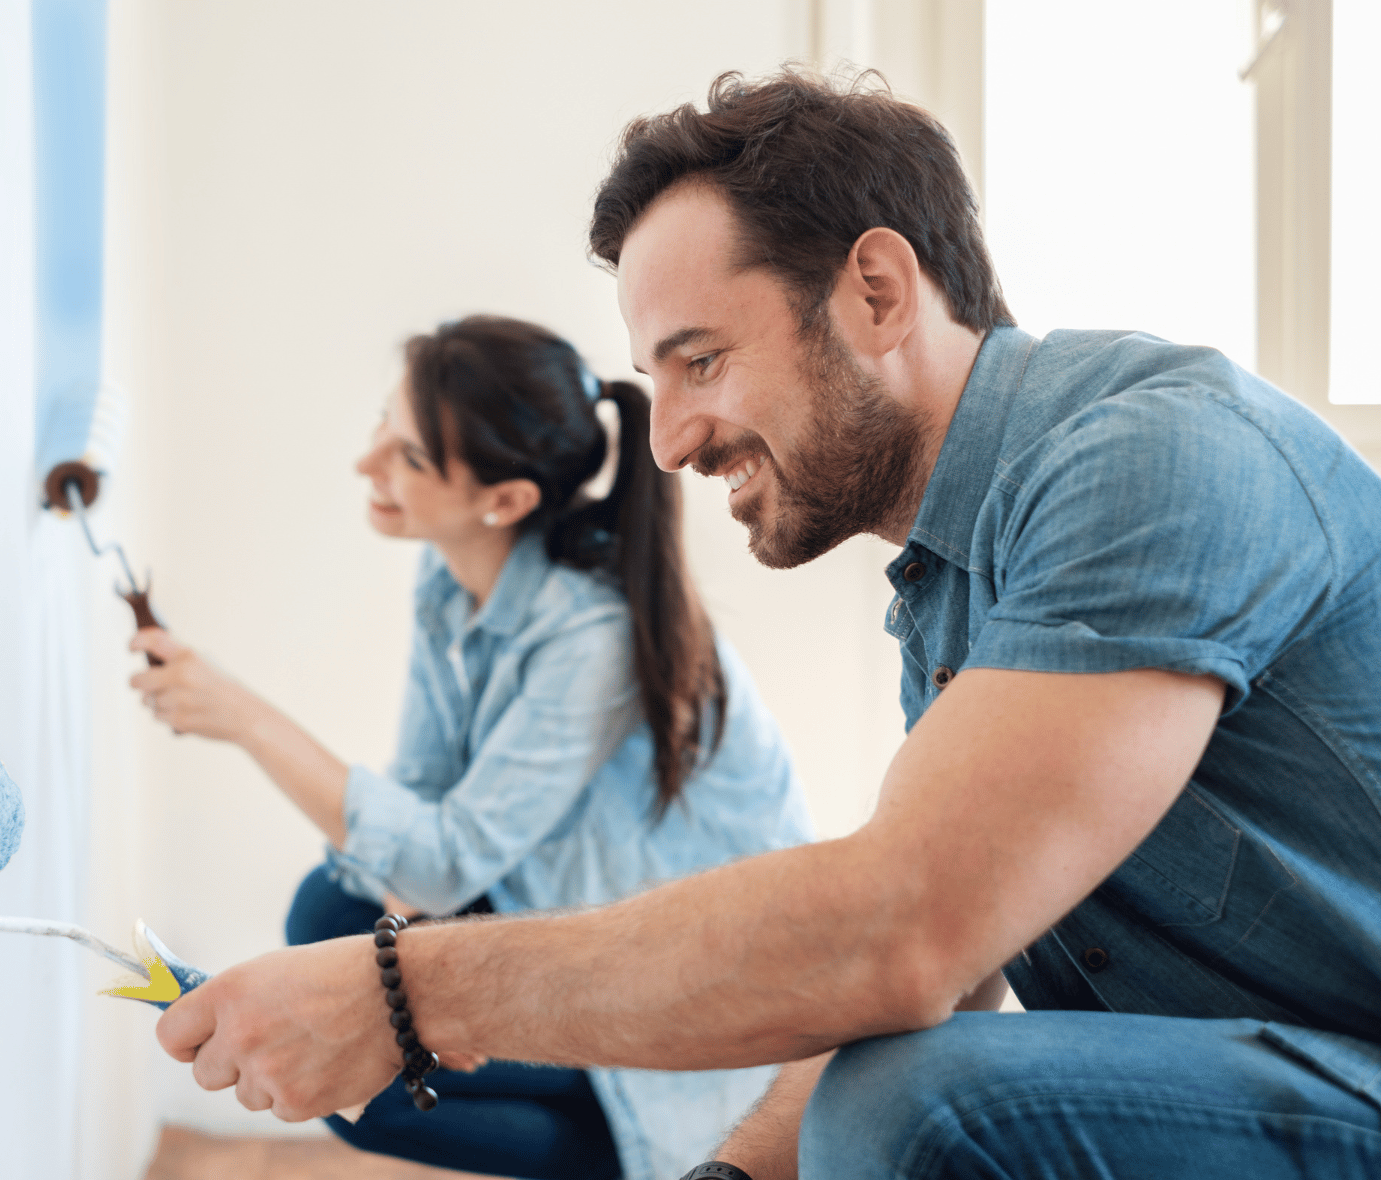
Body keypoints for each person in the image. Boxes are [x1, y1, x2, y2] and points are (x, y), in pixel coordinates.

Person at [149, 69, 1381, 1180]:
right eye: (654, 384)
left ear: (879, 292)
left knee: (919, 1106)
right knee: (891, 1086)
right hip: (1262, 1077)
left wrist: (407, 997)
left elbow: (902, 933)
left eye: (700, 362)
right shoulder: (949, 590)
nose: (672, 440)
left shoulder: (1155, 458)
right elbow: (947, 966)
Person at [129, 314, 813, 1180]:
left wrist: (243, 718)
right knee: (331, 922)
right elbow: (420, 801)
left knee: (357, 1034)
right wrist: (418, 992)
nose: (368, 463)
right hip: (559, 908)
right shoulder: (450, 579)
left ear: (506, 501)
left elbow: (441, 866)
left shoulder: (592, 637)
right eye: (387, 422)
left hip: (684, 986)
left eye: (408, 456)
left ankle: (629, 1147)